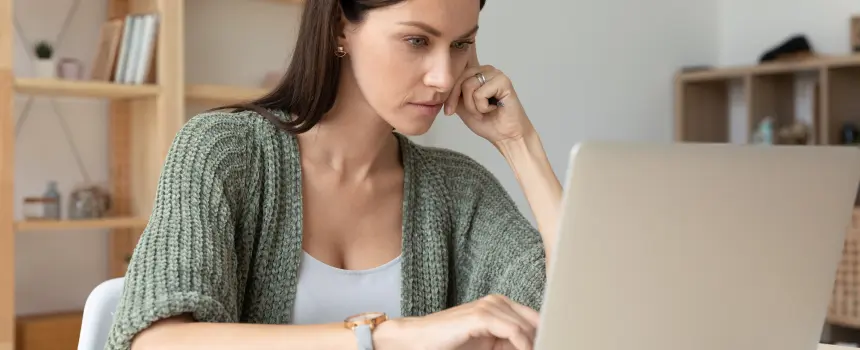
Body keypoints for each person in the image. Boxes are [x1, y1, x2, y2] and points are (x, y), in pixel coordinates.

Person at [104, 0, 563, 348]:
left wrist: (518, 143)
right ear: (340, 28)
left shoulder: (458, 190)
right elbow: (156, 340)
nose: (444, 76)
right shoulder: (226, 152)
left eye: (461, 44)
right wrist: (384, 336)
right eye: (417, 41)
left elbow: (579, 310)